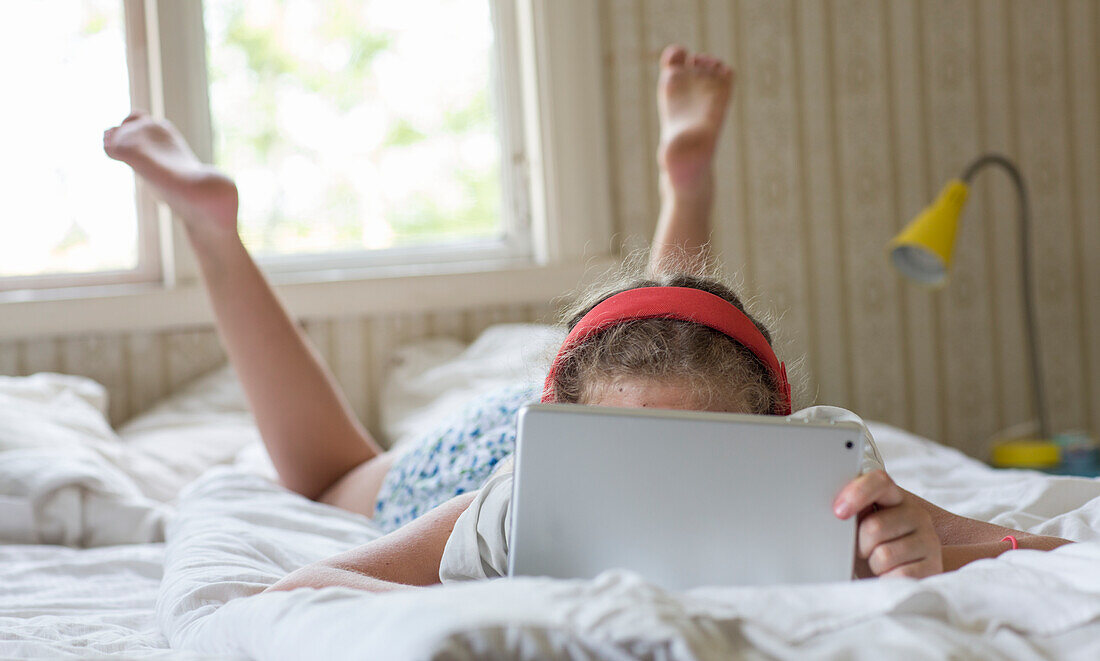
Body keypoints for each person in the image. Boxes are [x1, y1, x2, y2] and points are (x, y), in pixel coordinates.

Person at [103, 45, 1069, 593]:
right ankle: (214, 238)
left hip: (610, 382)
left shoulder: (828, 467)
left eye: (708, 456)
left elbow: (1031, 545)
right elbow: (303, 588)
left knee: (673, 343)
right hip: (479, 448)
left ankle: (683, 182)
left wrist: (923, 540)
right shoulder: (507, 496)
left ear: (779, 436)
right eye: (633, 454)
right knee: (324, 473)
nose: (664, 483)